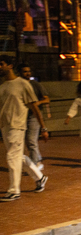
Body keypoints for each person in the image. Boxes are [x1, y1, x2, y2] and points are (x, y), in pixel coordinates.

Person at [0, 55, 49, 202]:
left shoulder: (22, 84)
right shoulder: (2, 86)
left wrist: (43, 128)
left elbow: (34, 107)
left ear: (10, 66)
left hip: (17, 126)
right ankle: (39, 177)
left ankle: (14, 191)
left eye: (1, 64)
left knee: (12, 157)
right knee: (17, 156)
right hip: (5, 126)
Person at [17, 63, 50, 170]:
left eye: (29, 71)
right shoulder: (17, 85)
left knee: (31, 141)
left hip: (33, 116)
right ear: (19, 73)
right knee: (27, 141)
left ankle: (35, 164)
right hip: (21, 116)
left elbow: (47, 99)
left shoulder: (35, 84)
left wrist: (38, 103)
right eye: (25, 71)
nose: (28, 73)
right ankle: (38, 159)